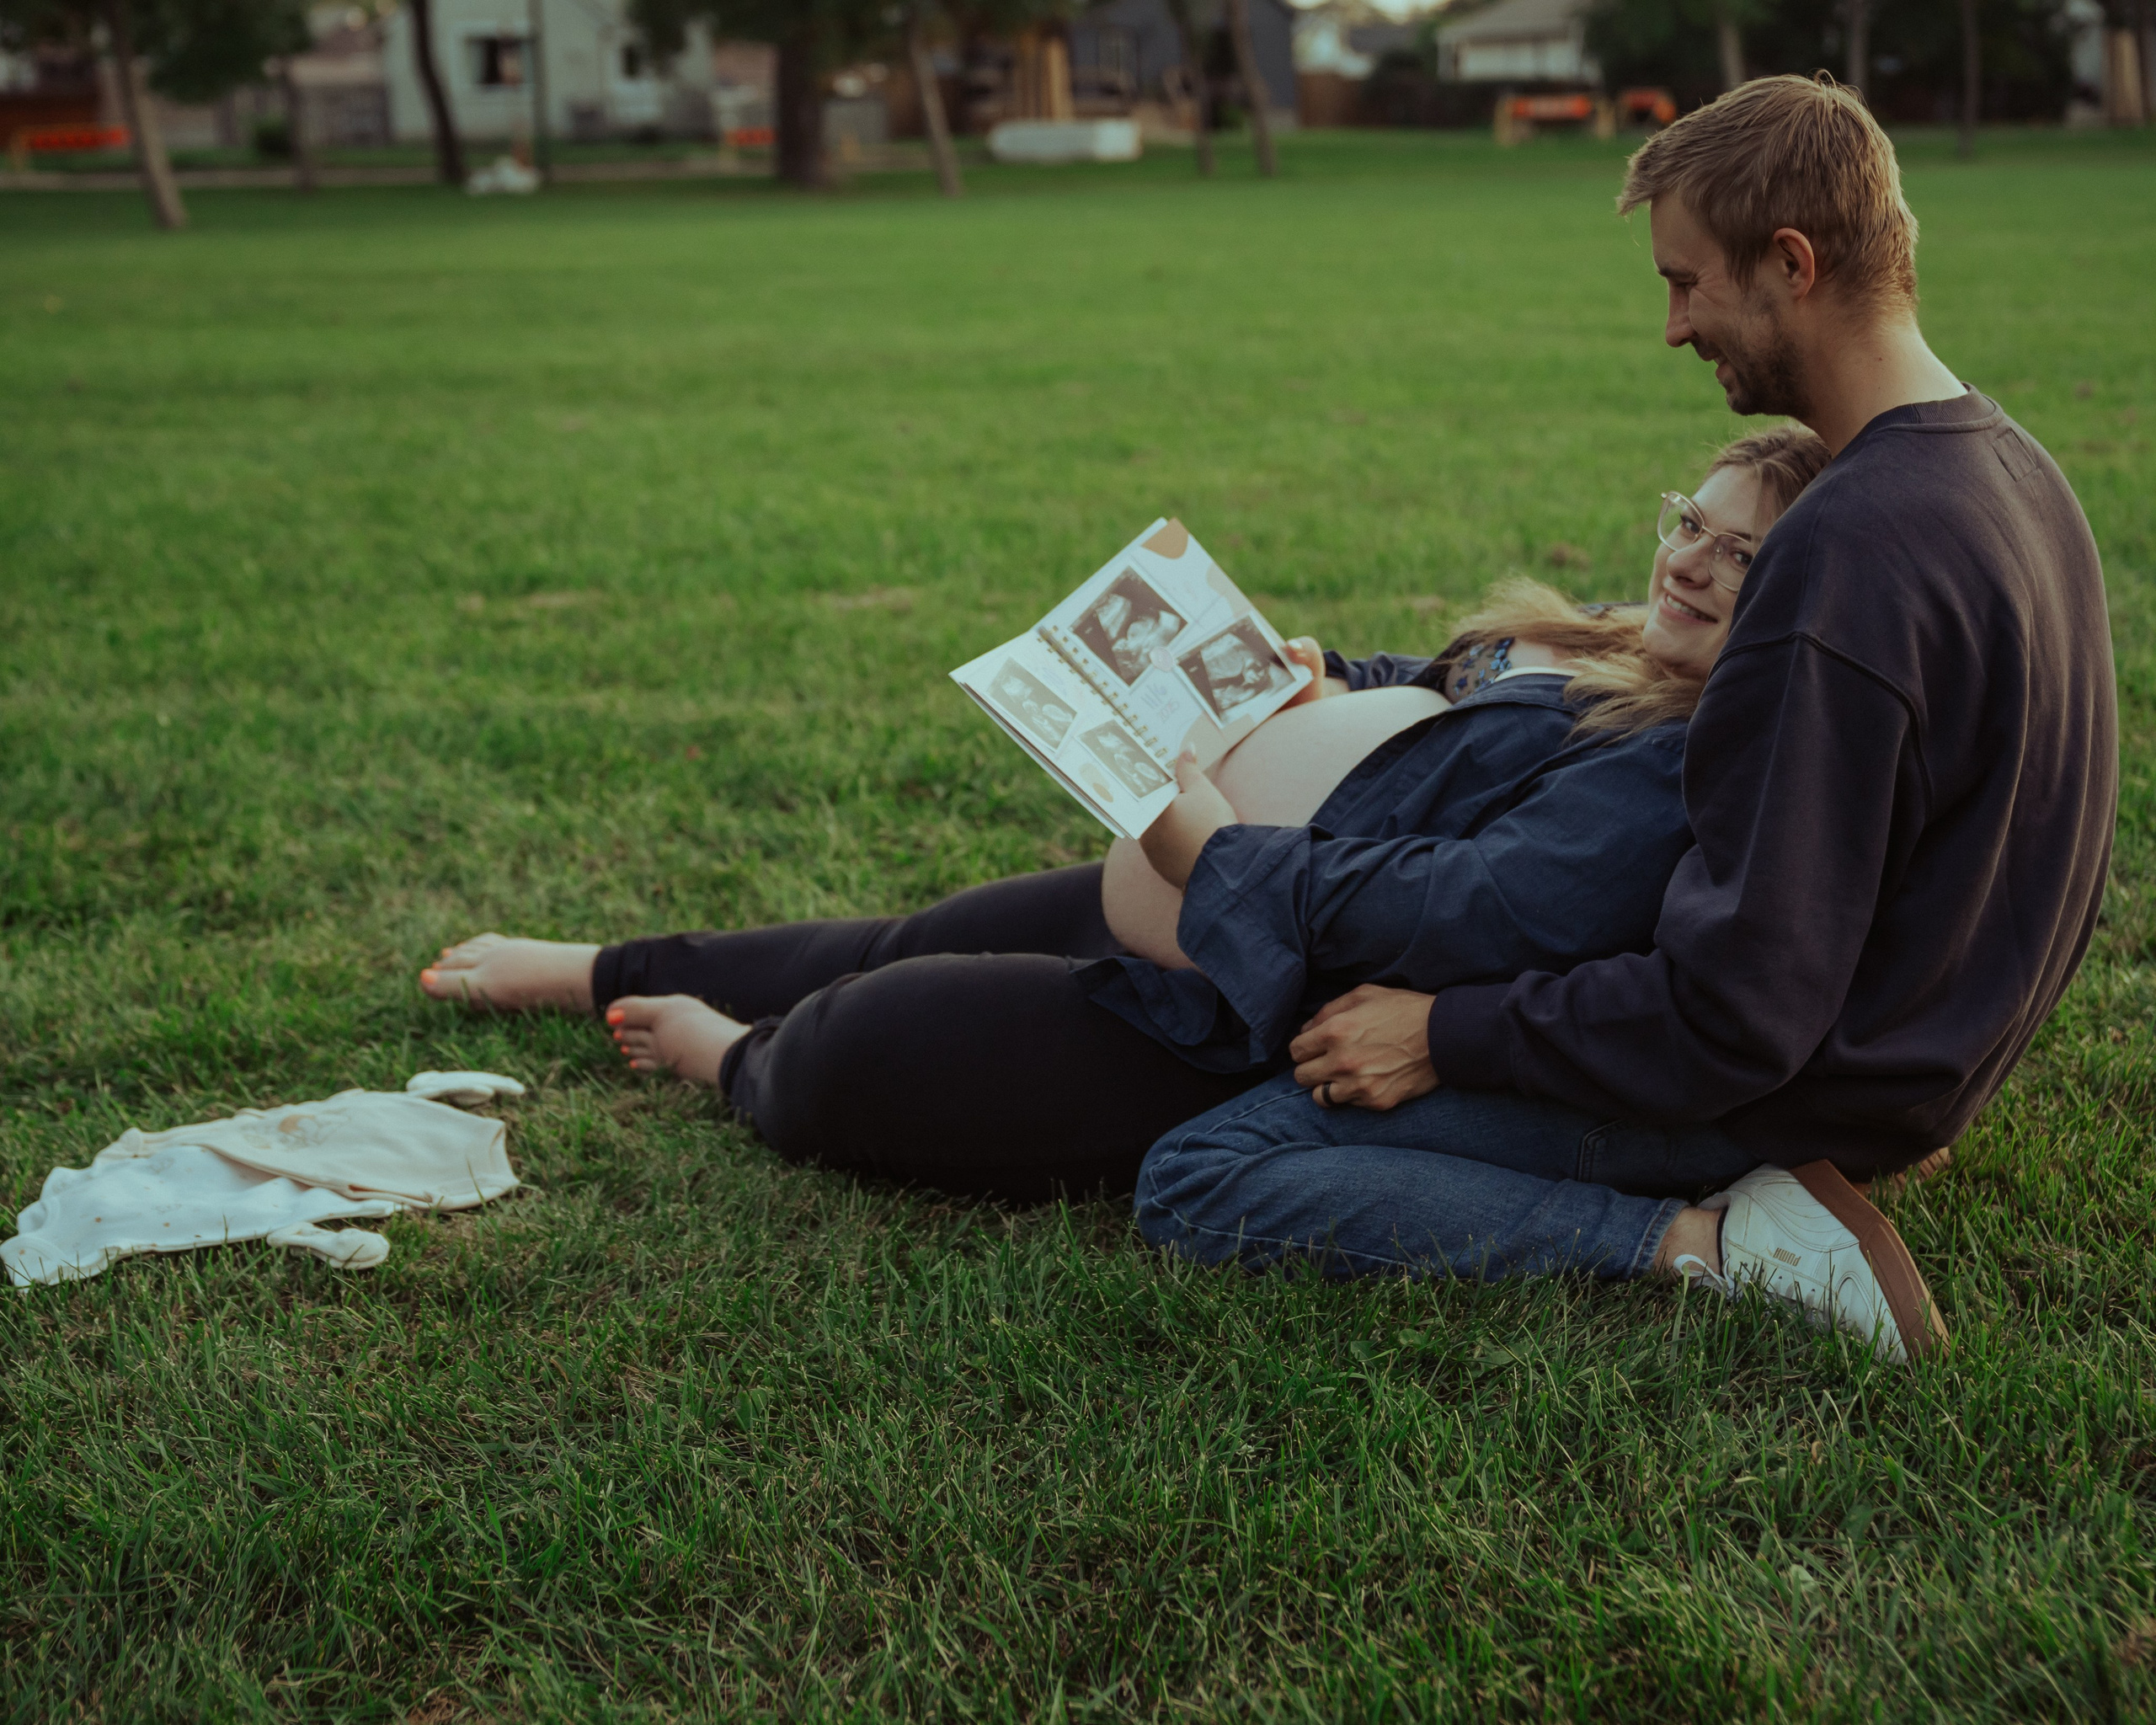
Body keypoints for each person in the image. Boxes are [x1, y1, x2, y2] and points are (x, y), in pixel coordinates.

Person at [1135, 75, 2116, 1366]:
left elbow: (1735, 1010)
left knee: (1203, 1173)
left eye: (1688, 283)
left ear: (1793, 265)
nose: (1673, 327)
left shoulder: (1846, 557)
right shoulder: (2013, 467)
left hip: (1788, 1094)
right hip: (1917, 1064)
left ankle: (1717, 1243)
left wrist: (1447, 1033)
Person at [419, 429, 1828, 1204]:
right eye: (1688, 521)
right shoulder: (1618, 639)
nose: (1691, 562)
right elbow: (1448, 693)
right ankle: (602, 967)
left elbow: (1467, 912)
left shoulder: (1677, 760)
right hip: (1161, 892)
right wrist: (1332, 678)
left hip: (1229, 1011)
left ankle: (728, 1057)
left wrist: (1195, 836)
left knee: (862, 1044)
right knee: (902, 937)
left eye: (1741, 554)